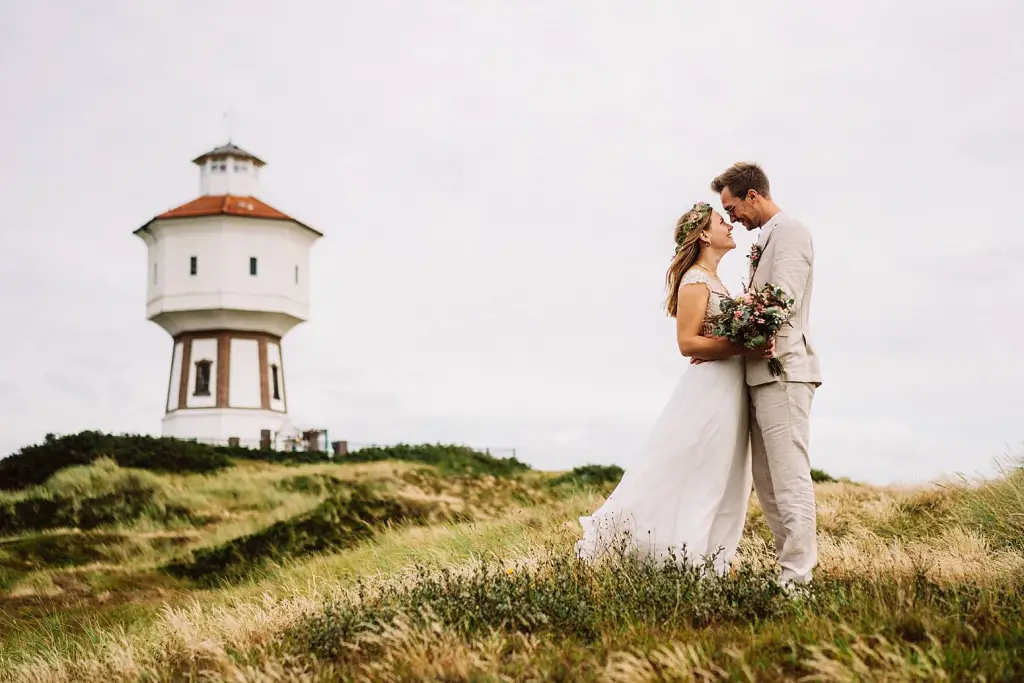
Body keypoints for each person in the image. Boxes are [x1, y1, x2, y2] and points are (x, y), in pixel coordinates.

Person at [574, 201, 771, 574]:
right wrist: (744, 346)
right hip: (711, 391)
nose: (729, 225)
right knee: (699, 473)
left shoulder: (714, 280)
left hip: (729, 389)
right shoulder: (695, 280)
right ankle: (679, 559)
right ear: (703, 235)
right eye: (721, 221)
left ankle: (708, 563)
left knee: (724, 476)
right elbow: (687, 343)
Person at [710, 162, 822, 587]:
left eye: (732, 208)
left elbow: (781, 303)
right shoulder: (766, 237)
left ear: (753, 196)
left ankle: (798, 580)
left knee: (789, 478)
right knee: (769, 483)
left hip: (785, 370)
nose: (733, 218)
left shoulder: (791, 232)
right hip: (760, 374)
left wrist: (739, 328)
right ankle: (787, 574)